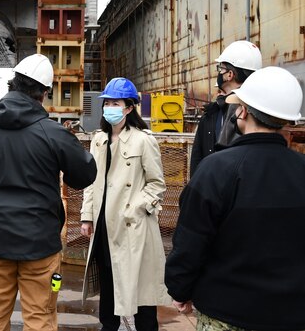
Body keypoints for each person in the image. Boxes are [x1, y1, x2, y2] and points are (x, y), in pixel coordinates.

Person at [0, 54, 97, 331]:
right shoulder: (54, 134)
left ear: (12, 86)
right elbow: (85, 174)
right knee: (40, 318)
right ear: (43, 93)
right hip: (40, 245)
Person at [165, 66, 305, 330]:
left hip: (226, 313)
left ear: (243, 111)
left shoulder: (215, 170)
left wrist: (180, 289)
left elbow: (191, 241)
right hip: (294, 315)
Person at [80, 77, 171, 331]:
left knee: (141, 294)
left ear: (129, 107)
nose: (110, 107)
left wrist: (135, 208)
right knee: (109, 286)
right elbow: (92, 181)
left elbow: (157, 184)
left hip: (132, 229)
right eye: (107, 102)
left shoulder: (143, 140)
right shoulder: (99, 140)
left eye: (115, 103)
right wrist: (87, 216)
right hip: (104, 226)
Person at [189, 40, 261, 175]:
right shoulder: (212, 113)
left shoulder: (253, 112)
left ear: (229, 74)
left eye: (221, 68)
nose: (219, 73)